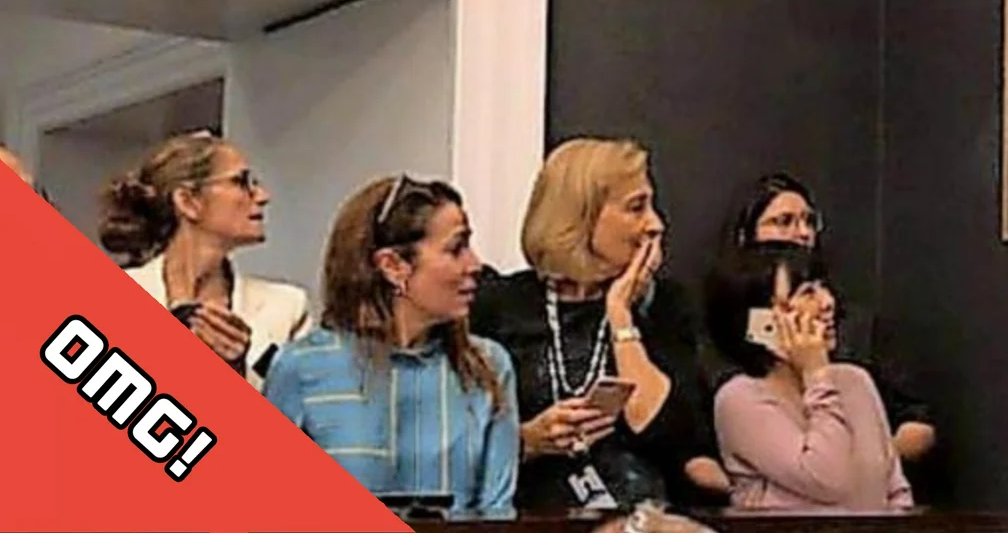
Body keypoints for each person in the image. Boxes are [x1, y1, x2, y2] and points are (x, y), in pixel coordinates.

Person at [470, 137, 729, 511]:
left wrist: (620, 312)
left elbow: (670, 434)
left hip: (647, 518)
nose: (655, 224)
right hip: (532, 517)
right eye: (636, 207)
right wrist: (526, 441)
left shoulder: (664, 306)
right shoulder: (499, 305)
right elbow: (460, 446)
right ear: (581, 216)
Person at [263, 175, 520, 518]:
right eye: (456, 248)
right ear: (393, 266)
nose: (474, 265)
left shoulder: (487, 366)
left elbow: (497, 514)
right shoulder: (302, 367)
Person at [717, 172, 936, 465]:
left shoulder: (855, 345)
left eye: (809, 221)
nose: (802, 233)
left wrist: (870, 465)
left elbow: (917, 424)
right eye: (784, 222)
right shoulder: (733, 378)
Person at [706, 241, 913, 512]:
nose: (828, 303)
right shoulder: (739, 399)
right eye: (807, 292)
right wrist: (817, 375)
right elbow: (827, 479)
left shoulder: (855, 381)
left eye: (823, 287)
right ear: (760, 321)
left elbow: (895, 490)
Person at [98, 131, 310, 390]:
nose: (263, 196)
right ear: (188, 201)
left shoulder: (288, 308)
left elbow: (298, 408)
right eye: (241, 182)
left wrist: (236, 373)